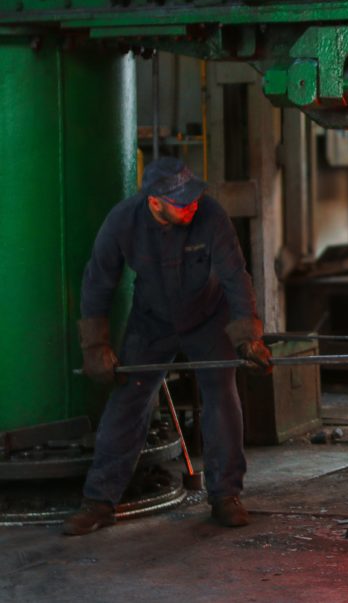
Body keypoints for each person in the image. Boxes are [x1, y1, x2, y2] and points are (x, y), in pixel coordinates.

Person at [65, 157, 272, 536]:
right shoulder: (123, 221)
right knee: (129, 400)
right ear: (154, 202)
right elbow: (98, 283)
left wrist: (248, 337)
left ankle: (225, 495)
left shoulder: (210, 215)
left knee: (222, 398)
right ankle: (98, 502)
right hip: (152, 322)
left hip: (209, 319)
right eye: (181, 201)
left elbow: (234, 275)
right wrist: (96, 346)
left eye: (193, 196)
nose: (191, 204)